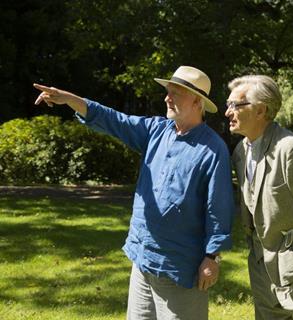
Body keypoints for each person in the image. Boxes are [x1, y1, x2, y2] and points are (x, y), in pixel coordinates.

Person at [33, 66, 235, 320]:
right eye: (167, 91)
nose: (167, 97)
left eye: (175, 93)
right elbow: (114, 120)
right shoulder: (156, 131)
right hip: (142, 259)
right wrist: (70, 99)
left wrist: (212, 257)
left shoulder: (213, 149)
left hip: (180, 267)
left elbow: (218, 207)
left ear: (197, 101)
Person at [225, 75, 293, 319]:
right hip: (262, 268)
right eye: (227, 104)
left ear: (261, 110)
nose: (227, 112)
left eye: (235, 105)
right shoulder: (240, 152)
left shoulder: (292, 149)